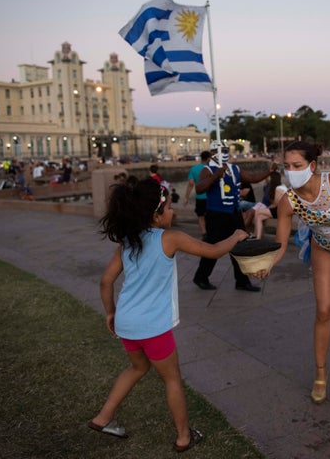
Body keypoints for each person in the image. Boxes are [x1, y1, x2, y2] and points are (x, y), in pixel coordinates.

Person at [90, 177, 248, 451]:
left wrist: (110, 313)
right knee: (172, 378)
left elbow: (106, 282)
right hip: (153, 327)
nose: (172, 213)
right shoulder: (170, 238)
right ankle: (184, 437)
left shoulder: (128, 241)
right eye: (170, 208)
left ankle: (103, 417)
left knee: (137, 367)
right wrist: (235, 236)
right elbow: (212, 251)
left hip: (126, 322)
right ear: (156, 214)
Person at [252, 141, 330, 404]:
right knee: (323, 310)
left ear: (312, 165)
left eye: (297, 165)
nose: (291, 171)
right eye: (287, 166)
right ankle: (320, 372)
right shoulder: (289, 201)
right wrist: (267, 265)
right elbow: (280, 245)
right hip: (324, 247)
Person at [192, 144, 277, 292]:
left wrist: (268, 172)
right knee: (213, 246)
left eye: (225, 151)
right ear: (212, 153)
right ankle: (201, 277)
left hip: (234, 213)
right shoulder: (208, 169)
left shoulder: (234, 169)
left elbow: (251, 178)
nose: (223, 153)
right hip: (216, 214)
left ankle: (242, 281)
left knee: (240, 245)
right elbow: (199, 188)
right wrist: (215, 176)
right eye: (219, 151)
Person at [184, 151, 211, 238]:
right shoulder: (211, 168)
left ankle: (204, 233)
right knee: (211, 215)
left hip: (200, 197)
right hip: (211, 197)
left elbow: (191, 184)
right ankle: (211, 232)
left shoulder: (194, 169)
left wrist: (186, 197)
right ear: (208, 159)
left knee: (200, 216)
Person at [253, 171, 286, 239]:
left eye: (268, 177)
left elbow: (275, 204)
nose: (267, 178)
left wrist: (267, 208)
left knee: (258, 211)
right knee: (259, 217)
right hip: (279, 210)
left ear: (272, 178)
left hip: (280, 211)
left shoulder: (278, 188)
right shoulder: (281, 186)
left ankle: (255, 234)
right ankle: (258, 237)